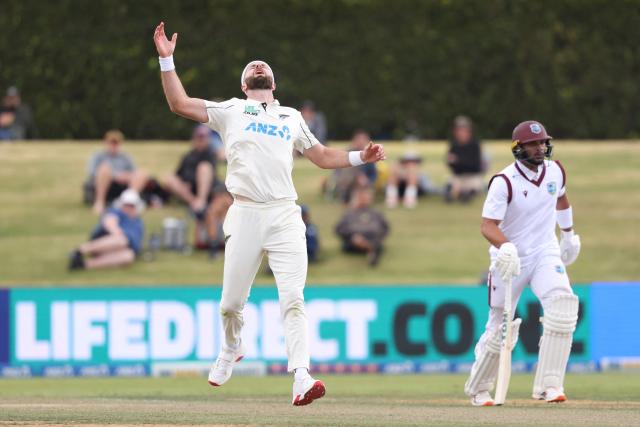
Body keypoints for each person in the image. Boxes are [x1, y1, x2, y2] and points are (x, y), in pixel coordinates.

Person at [153, 22, 385, 406]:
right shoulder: (231, 110)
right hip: (244, 213)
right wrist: (167, 60)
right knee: (230, 304)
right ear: (245, 85)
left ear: (272, 85)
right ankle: (231, 348)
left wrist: (362, 157)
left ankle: (301, 377)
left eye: (264, 68)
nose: (258, 68)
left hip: (283, 215)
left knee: (293, 298)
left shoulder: (291, 117)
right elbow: (179, 104)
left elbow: (323, 156)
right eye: (252, 68)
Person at [464, 120, 581, 406]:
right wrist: (505, 247)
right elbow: (487, 225)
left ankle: (549, 385)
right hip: (511, 259)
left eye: (542, 143)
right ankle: (479, 389)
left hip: (545, 251)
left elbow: (561, 200)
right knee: (501, 326)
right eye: (533, 144)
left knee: (563, 307)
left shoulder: (556, 170)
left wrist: (567, 236)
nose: (540, 148)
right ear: (518, 148)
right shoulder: (503, 181)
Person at [68, 189, 145, 271]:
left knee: (128, 256)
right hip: (104, 242)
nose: (128, 208)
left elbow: (136, 243)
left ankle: (83, 265)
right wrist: (116, 232)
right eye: (126, 205)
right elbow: (109, 222)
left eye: (131, 205)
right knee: (121, 239)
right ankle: (79, 251)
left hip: (119, 249)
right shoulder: (116, 212)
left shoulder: (138, 223)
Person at [86, 130, 150, 214]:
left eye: (116, 143)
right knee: (104, 169)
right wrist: (115, 176)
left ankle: (130, 201)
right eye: (111, 143)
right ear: (106, 142)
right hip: (103, 185)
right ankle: (99, 203)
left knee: (142, 173)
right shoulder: (98, 156)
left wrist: (126, 176)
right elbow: (92, 173)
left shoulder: (126, 157)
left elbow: (134, 173)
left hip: (123, 186)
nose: (113, 145)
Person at [335, 186, 389, 266]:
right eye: (361, 197)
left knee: (375, 243)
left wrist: (376, 237)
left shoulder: (376, 213)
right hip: (352, 243)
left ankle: (369, 248)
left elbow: (385, 229)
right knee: (368, 245)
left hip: (373, 239)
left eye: (366, 197)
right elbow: (339, 229)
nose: (364, 200)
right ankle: (370, 250)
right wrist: (352, 236)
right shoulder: (349, 214)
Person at [328, 129, 378, 203]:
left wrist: (368, 180)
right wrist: (357, 176)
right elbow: (338, 172)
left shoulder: (369, 156)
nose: (361, 142)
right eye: (359, 139)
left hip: (363, 183)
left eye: (364, 139)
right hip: (347, 182)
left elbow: (373, 173)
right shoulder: (347, 154)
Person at [445, 116, 485, 203]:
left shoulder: (475, 145)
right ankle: (457, 194)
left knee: (474, 187)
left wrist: (458, 161)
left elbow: (475, 165)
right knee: (450, 185)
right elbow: (451, 165)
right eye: (458, 130)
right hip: (459, 176)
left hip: (472, 176)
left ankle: (464, 194)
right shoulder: (454, 145)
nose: (461, 133)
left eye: (463, 130)